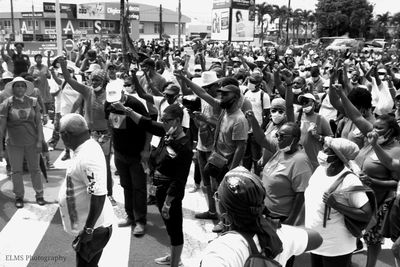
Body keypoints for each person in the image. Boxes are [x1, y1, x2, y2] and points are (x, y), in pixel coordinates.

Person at [332, 83, 400, 267]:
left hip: (377, 203)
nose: (373, 131)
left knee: (372, 240)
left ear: (391, 132)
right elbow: (355, 115)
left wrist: (373, 181)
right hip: (357, 197)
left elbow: (396, 184)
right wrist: (341, 94)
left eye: (378, 129)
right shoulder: (372, 137)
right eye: (374, 127)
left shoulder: (395, 151)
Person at [200, 166, 323, 266]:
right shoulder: (278, 235)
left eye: (217, 197)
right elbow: (317, 239)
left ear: (226, 215)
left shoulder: (222, 250)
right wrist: (278, 228)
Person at [126, 104, 193, 267]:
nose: (163, 123)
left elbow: (179, 180)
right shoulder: (166, 132)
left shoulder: (184, 147)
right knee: (170, 227)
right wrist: (128, 111)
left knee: (175, 228)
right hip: (159, 188)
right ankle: (173, 256)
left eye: (166, 120)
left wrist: (168, 203)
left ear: (177, 121)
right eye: (162, 119)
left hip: (171, 194)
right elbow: (147, 123)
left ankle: (175, 263)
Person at [305, 137, 372, 267]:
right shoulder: (320, 170)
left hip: (336, 247)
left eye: (326, 151)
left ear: (337, 158)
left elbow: (366, 214)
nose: (322, 153)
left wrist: (336, 205)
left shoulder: (350, 180)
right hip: (316, 241)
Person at [58, 113, 114, 267]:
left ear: (67, 135)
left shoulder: (87, 156)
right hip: (90, 227)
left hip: (94, 229)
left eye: (60, 133)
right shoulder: (85, 146)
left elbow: (99, 194)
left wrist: (88, 229)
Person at [59, 56, 116, 205]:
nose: (94, 82)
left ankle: (109, 193)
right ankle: (90, 192)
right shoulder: (87, 91)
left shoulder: (110, 93)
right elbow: (70, 80)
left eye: (97, 80)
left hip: (105, 135)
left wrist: (111, 134)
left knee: (104, 165)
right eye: (93, 80)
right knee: (86, 164)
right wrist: (64, 65)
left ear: (104, 82)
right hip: (88, 135)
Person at [104, 82, 151, 236]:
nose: (114, 103)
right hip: (119, 153)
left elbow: (148, 126)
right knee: (126, 185)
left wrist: (145, 149)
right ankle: (130, 216)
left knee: (139, 187)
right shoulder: (108, 103)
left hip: (137, 153)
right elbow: (110, 123)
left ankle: (140, 221)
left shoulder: (135, 104)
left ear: (123, 92)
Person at [0, 77, 45, 208]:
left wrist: (39, 141)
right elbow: (1, 128)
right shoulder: (6, 104)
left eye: (22, 86)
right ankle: (19, 196)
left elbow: (39, 124)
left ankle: (39, 194)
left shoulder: (34, 102)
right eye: (17, 86)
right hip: (13, 143)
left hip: (32, 142)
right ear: (12, 88)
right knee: (16, 171)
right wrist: (1, 148)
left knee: (35, 169)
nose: (20, 88)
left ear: (26, 88)